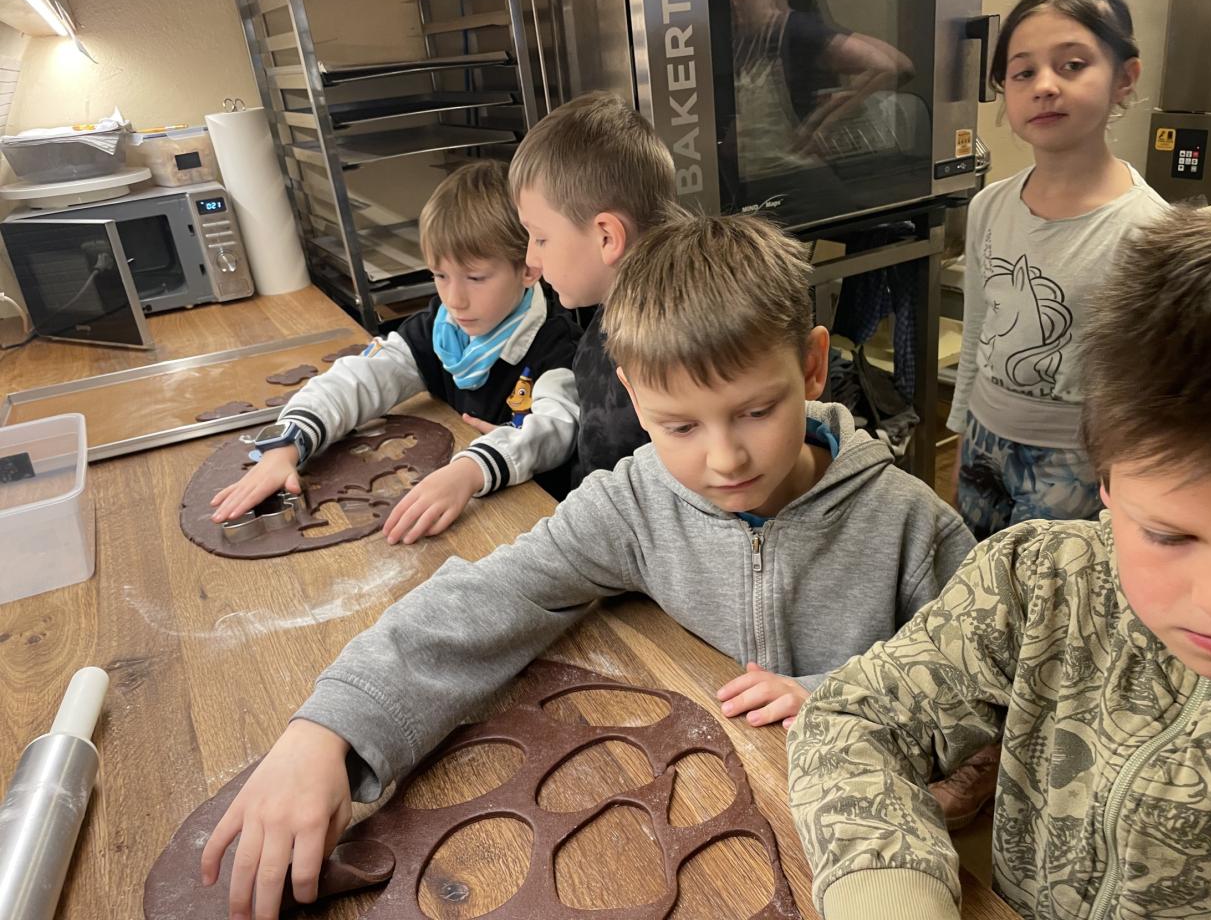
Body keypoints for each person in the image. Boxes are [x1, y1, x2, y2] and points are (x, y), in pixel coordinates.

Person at [200, 213, 975, 920]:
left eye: (755, 412)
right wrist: (330, 728)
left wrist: (848, 700)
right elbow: (493, 595)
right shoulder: (639, 502)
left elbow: (993, 696)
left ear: (810, 366)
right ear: (633, 397)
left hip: (878, 852)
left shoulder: (911, 526)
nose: (725, 458)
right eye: (679, 425)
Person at [789, 210, 1211, 920]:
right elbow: (852, 718)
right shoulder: (1040, 580)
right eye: (1170, 535)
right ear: (1105, 480)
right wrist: (891, 892)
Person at [208, 160, 581, 543]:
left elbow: (555, 430)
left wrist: (470, 469)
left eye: (475, 277)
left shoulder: (556, 346)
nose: (455, 299)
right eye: (440, 276)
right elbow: (362, 377)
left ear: (528, 270)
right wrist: (288, 443)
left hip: (530, 520)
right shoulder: (441, 328)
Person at [947, 0, 1166, 545]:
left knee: (1045, 587)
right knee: (973, 571)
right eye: (1023, 73)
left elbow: (1146, 383)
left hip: (1076, 463)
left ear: (1124, 78)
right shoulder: (989, 205)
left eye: (1072, 65)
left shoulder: (1149, 230)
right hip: (982, 437)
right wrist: (962, 428)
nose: (1045, 86)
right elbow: (979, 326)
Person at [503, 90, 679, 484]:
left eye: (540, 237)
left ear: (606, 237)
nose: (531, 258)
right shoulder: (622, 310)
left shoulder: (650, 358)